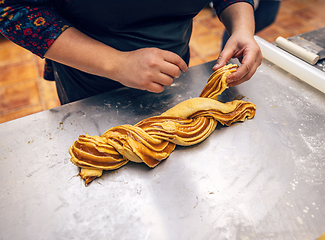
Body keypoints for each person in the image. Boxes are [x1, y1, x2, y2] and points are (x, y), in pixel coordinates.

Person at [0, 0, 262, 104]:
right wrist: (116, 63)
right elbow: (13, 10)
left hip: (174, 68)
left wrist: (242, 27)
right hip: (91, 77)